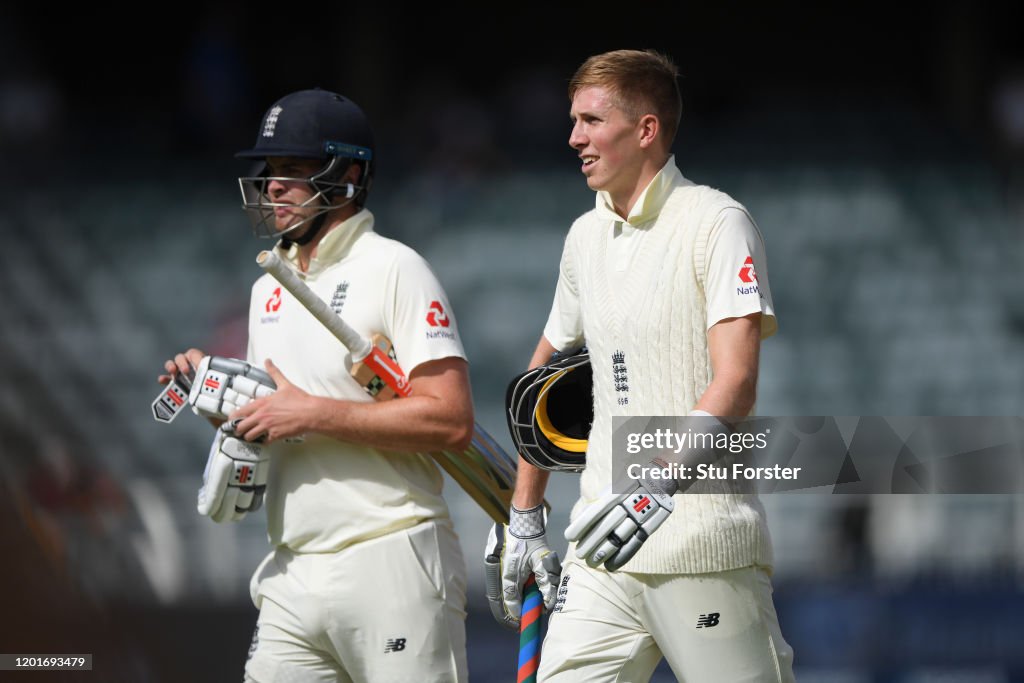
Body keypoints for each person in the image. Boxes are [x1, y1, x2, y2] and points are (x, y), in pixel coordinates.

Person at [488, 50, 795, 682]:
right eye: (574, 121)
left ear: (646, 129)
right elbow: (537, 390)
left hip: (701, 547)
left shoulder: (717, 222)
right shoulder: (584, 237)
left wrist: (660, 482)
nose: (574, 137)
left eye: (591, 121)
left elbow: (736, 381)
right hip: (600, 553)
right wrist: (523, 516)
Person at [158, 89, 474, 683]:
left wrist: (308, 413)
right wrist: (221, 401)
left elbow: (451, 421)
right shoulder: (266, 289)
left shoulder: (396, 268)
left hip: (393, 554)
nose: (274, 186)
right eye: (272, 172)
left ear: (349, 175)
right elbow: (280, 421)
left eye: (296, 171)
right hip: (290, 568)